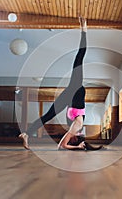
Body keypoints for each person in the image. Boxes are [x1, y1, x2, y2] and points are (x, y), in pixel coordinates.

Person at [19, 17, 99, 150]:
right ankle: (83, 30)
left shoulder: (76, 127)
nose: (68, 136)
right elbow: (62, 145)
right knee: (79, 57)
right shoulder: (76, 127)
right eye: (71, 138)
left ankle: (26, 133)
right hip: (73, 92)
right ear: (75, 138)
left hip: (73, 91)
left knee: (80, 57)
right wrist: (78, 146)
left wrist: (78, 146)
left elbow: (61, 145)